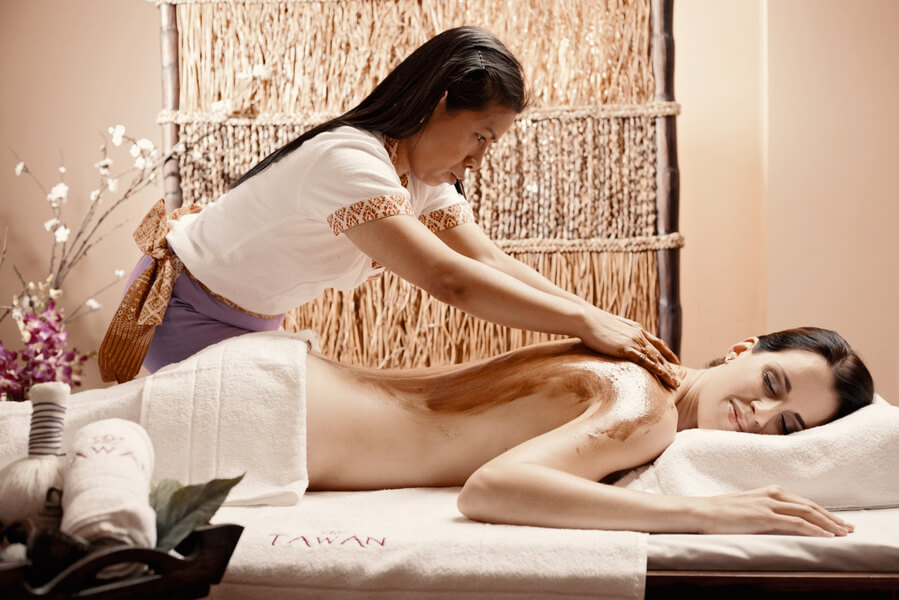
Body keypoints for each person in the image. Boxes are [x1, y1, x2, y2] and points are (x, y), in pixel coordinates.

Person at [98, 26, 678, 387]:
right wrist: (582, 323)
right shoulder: (348, 161)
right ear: (439, 103)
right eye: (480, 136)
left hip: (256, 319)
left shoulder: (420, 177)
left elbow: (489, 261)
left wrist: (606, 320)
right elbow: (450, 280)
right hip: (186, 309)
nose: (479, 159)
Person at [301, 326, 873, 535]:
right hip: (295, 415)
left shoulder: (640, 360)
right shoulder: (650, 407)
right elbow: (491, 488)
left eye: (788, 426)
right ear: (741, 349)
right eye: (772, 383)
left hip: (308, 389)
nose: (762, 415)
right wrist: (709, 513)